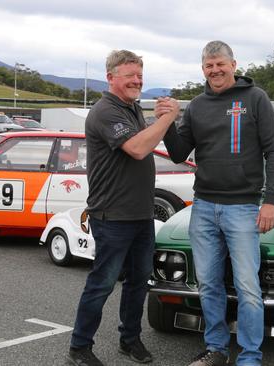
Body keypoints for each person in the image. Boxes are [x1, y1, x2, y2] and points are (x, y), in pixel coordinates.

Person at [158, 41, 274, 366]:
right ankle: (216, 349)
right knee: (208, 284)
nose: (215, 70)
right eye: (209, 66)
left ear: (233, 65)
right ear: (203, 69)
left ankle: (250, 357)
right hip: (203, 207)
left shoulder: (255, 99)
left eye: (220, 64)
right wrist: (168, 122)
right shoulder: (198, 105)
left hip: (243, 209)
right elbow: (177, 152)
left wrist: (270, 201)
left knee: (247, 286)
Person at [67, 50, 180, 366]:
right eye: (130, 75)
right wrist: (167, 118)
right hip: (112, 215)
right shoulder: (106, 111)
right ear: (111, 77)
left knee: (138, 282)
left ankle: (129, 340)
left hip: (140, 214)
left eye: (140, 76)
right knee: (102, 283)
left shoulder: (131, 109)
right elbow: (138, 148)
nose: (136, 81)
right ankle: (79, 347)